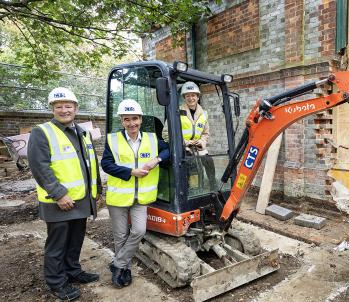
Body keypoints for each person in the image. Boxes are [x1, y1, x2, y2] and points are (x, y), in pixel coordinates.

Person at [27, 87, 102, 300]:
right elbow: (40, 167)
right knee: (57, 244)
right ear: (52, 108)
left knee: (75, 240)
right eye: (59, 106)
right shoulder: (42, 132)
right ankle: (56, 282)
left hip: (80, 199)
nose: (64, 110)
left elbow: (90, 164)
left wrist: (96, 190)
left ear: (75, 108)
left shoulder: (82, 132)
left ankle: (72, 271)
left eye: (68, 106)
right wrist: (59, 194)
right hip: (59, 201)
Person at [101, 99, 169, 288]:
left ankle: (117, 264)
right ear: (122, 121)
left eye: (135, 119)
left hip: (141, 198)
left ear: (141, 119)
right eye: (127, 119)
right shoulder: (113, 140)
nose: (132, 123)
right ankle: (125, 270)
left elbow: (168, 151)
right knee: (121, 236)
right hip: (119, 198)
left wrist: (156, 159)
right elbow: (106, 164)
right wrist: (131, 172)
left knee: (139, 231)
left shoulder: (152, 138)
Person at [179, 81, 217, 190]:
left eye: (193, 95)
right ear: (184, 97)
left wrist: (202, 141)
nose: (191, 98)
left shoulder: (203, 114)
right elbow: (166, 133)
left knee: (209, 161)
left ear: (198, 97)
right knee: (193, 166)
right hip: (183, 147)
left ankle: (213, 185)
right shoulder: (177, 112)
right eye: (187, 96)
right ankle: (194, 189)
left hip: (197, 146)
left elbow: (205, 133)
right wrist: (184, 142)